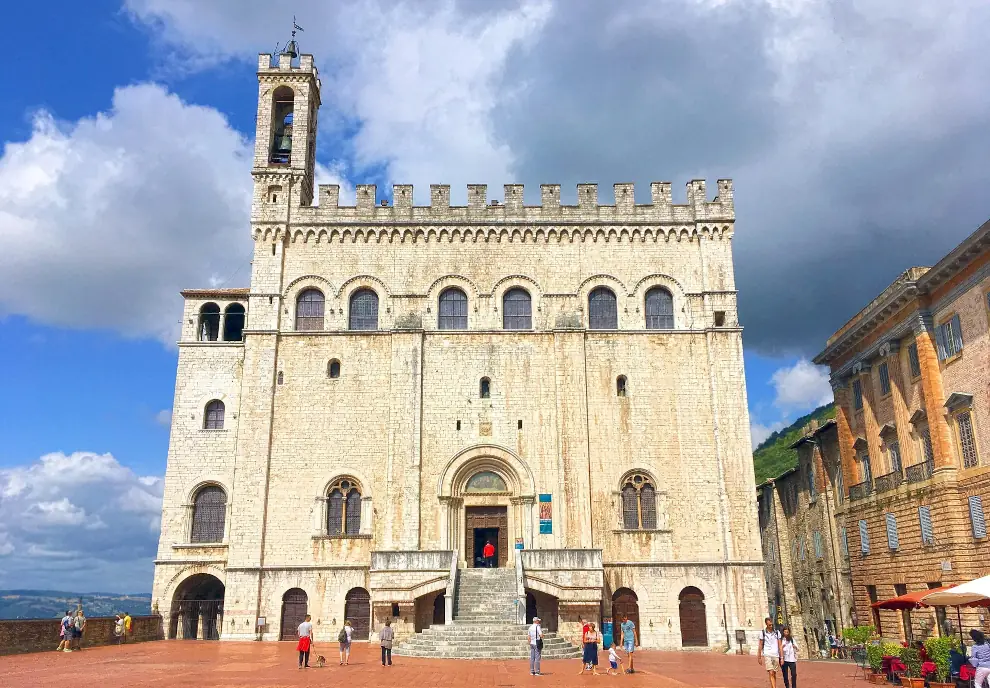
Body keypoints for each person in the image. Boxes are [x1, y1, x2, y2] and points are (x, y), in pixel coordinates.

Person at [757, 617, 783, 688]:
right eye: (769, 625)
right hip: (767, 654)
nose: (771, 626)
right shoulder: (763, 633)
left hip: (775, 654)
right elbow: (760, 645)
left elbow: (780, 645)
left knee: (774, 672)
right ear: (766, 624)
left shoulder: (777, 632)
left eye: (772, 624)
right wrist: (759, 657)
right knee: (771, 672)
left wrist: (782, 657)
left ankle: (773, 686)